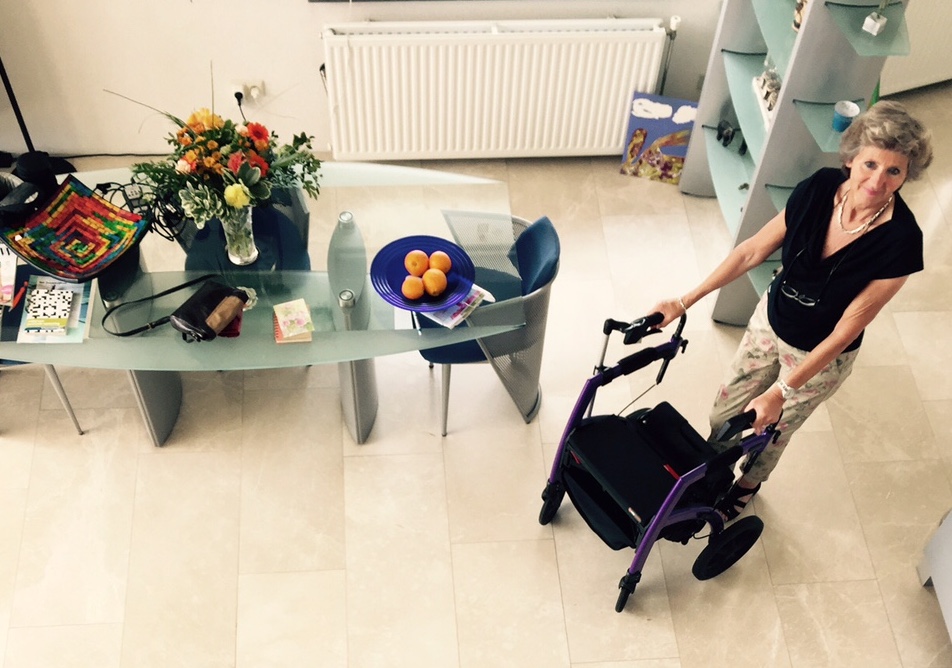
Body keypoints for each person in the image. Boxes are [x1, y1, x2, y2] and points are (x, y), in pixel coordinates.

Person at [651, 100, 933, 520]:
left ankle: (747, 486)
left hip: (820, 357)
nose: (877, 180)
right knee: (723, 415)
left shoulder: (902, 242)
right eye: (871, 164)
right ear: (852, 158)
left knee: (771, 430)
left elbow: (844, 331)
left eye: (894, 171)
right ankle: (710, 473)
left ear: (907, 174)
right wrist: (684, 300)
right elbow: (750, 252)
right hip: (772, 320)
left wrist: (782, 391)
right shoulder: (819, 188)